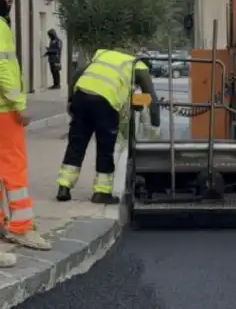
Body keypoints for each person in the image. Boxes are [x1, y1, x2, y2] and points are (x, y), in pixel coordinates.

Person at [56, 48, 161, 204]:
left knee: (76, 143)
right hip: (105, 103)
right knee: (105, 148)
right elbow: (151, 98)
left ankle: (64, 187)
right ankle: (101, 192)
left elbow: (78, 74)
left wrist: (71, 100)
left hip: (82, 96)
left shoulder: (103, 55)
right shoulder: (137, 65)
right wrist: (155, 128)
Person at [0, 0, 52, 253]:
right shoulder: (0, 26)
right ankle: (21, 228)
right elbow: (4, 70)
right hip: (5, 112)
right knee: (14, 168)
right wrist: (19, 103)